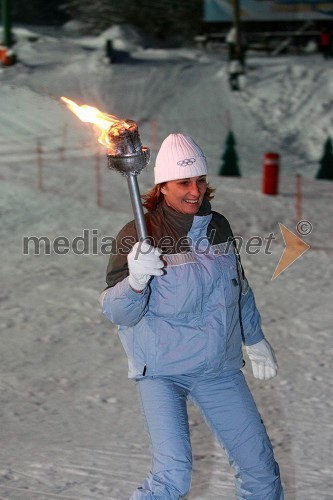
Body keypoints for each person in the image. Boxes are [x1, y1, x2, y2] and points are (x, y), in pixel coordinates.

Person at [100, 133, 284, 499]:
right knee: (173, 476)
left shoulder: (218, 226)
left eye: (200, 181)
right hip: (163, 370)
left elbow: (238, 289)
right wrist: (136, 280)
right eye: (184, 182)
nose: (195, 191)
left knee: (260, 468)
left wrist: (255, 337)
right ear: (163, 186)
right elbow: (118, 312)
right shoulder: (139, 234)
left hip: (217, 368)